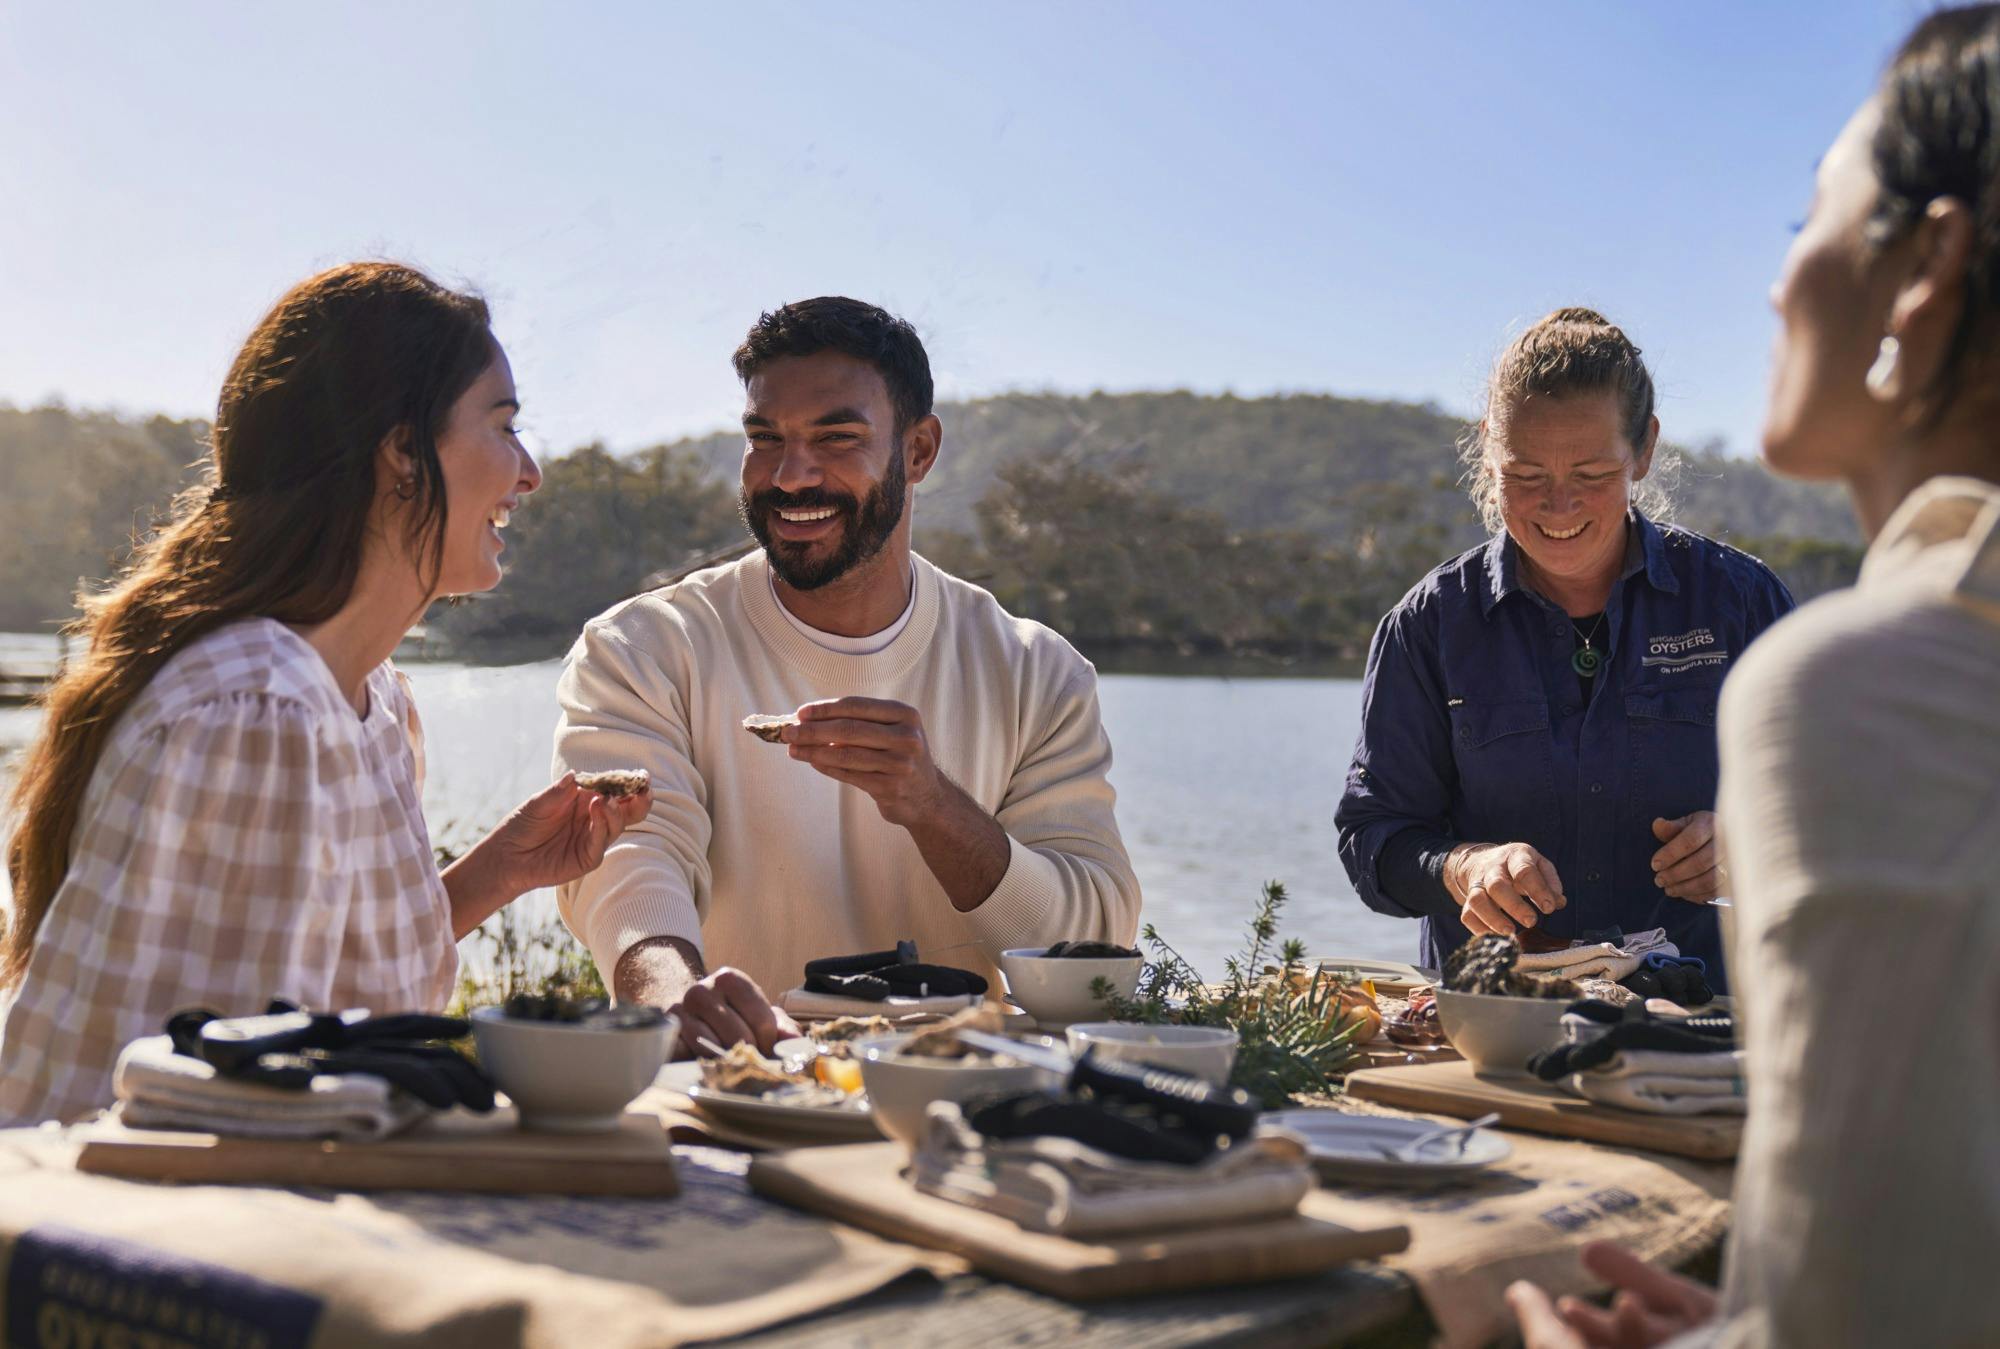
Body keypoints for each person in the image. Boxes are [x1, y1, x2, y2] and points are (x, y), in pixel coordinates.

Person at [1508, 7, 2000, 1345]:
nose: (1780, 286)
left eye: (1808, 222)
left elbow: (1878, 1319)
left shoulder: (1870, 686)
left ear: (1929, 267)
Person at [0, 263, 648, 1126]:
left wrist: (500, 871)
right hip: (111, 1203)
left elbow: (317, 1009)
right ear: (403, 451)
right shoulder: (258, 712)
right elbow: (233, 1105)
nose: (529, 472)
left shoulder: (372, 704)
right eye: (503, 427)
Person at [554, 296, 1142, 1054]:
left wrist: (932, 806)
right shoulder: (642, 648)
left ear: (919, 450)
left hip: (959, 1086)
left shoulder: (1036, 672)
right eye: (765, 438)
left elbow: (1094, 952)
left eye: (836, 438)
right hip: (733, 1078)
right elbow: (632, 858)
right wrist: (674, 1004)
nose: (791, 476)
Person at [1334, 310, 1795, 988]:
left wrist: (1752, 841)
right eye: (1525, 475)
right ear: (1489, 451)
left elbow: (1843, 807)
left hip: (1706, 1022)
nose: (1558, 505)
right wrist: (1461, 868)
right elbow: (1372, 839)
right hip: (1495, 1019)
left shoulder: (1743, 603)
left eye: (1591, 473)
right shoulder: (1428, 625)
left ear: (1644, 450)